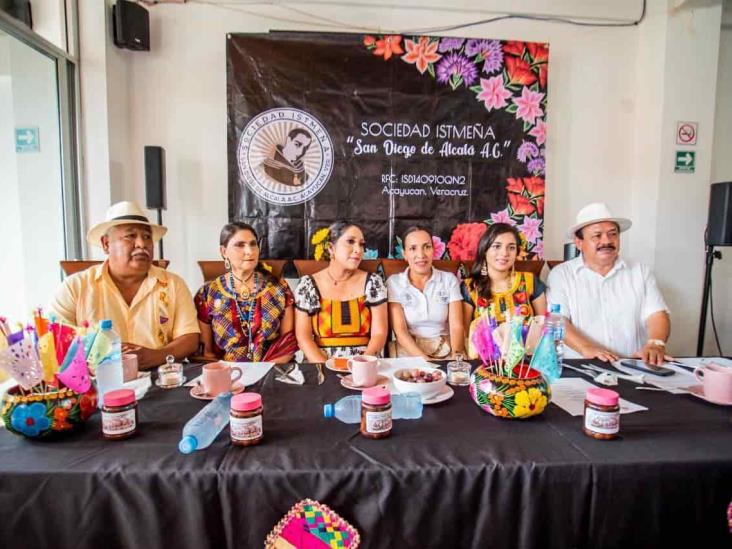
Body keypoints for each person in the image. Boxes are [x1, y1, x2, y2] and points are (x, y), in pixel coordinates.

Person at [49, 201, 199, 369]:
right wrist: (101, 355)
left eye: (147, 237)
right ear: (106, 244)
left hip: (159, 377)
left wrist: (154, 356)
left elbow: (190, 337)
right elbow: (55, 340)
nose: (142, 244)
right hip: (97, 382)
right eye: (130, 236)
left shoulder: (173, 284)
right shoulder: (75, 287)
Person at [546, 202, 671, 365]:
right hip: (582, 365)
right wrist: (587, 348)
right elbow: (558, 319)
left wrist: (656, 343)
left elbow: (657, 313)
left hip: (633, 365)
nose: (606, 241)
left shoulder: (640, 272)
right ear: (579, 242)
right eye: (597, 236)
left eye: (612, 234)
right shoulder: (561, 274)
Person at [194, 222, 297, 364]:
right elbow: (206, 353)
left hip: (273, 370)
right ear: (224, 252)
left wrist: (261, 372)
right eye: (240, 245)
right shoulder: (208, 293)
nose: (249, 251)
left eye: (253, 244)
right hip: (228, 376)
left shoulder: (278, 288)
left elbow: (288, 343)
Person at [295, 221, 388, 361]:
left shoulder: (373, 282)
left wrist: (362, 365)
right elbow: (304, 337)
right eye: (350, 241)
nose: (358, 249)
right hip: (320, 365)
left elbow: (379, 333)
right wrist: (325, 369)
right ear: (331, 248)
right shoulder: (308, 285)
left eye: (362, 244)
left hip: (366, 364)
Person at [386, 226, 465, 359]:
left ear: (433, 250)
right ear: (405, 254)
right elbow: (400, 332)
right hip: (409, 351)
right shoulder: (394, 283)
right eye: (413, 248)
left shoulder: (448, 280)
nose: (421, 255)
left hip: (446, 348)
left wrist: (456, 357)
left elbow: (456, 325)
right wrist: (425, 361)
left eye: (426, 247)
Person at [462, 222, 548, 327]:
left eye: (511, 247)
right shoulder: (470, 287)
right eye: (497, 246)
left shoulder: (530, 281)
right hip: (482, 344)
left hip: (528, 343)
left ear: (517, 253)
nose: (504, 253)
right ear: (485, 250)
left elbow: (544, 326)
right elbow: (464, 334)